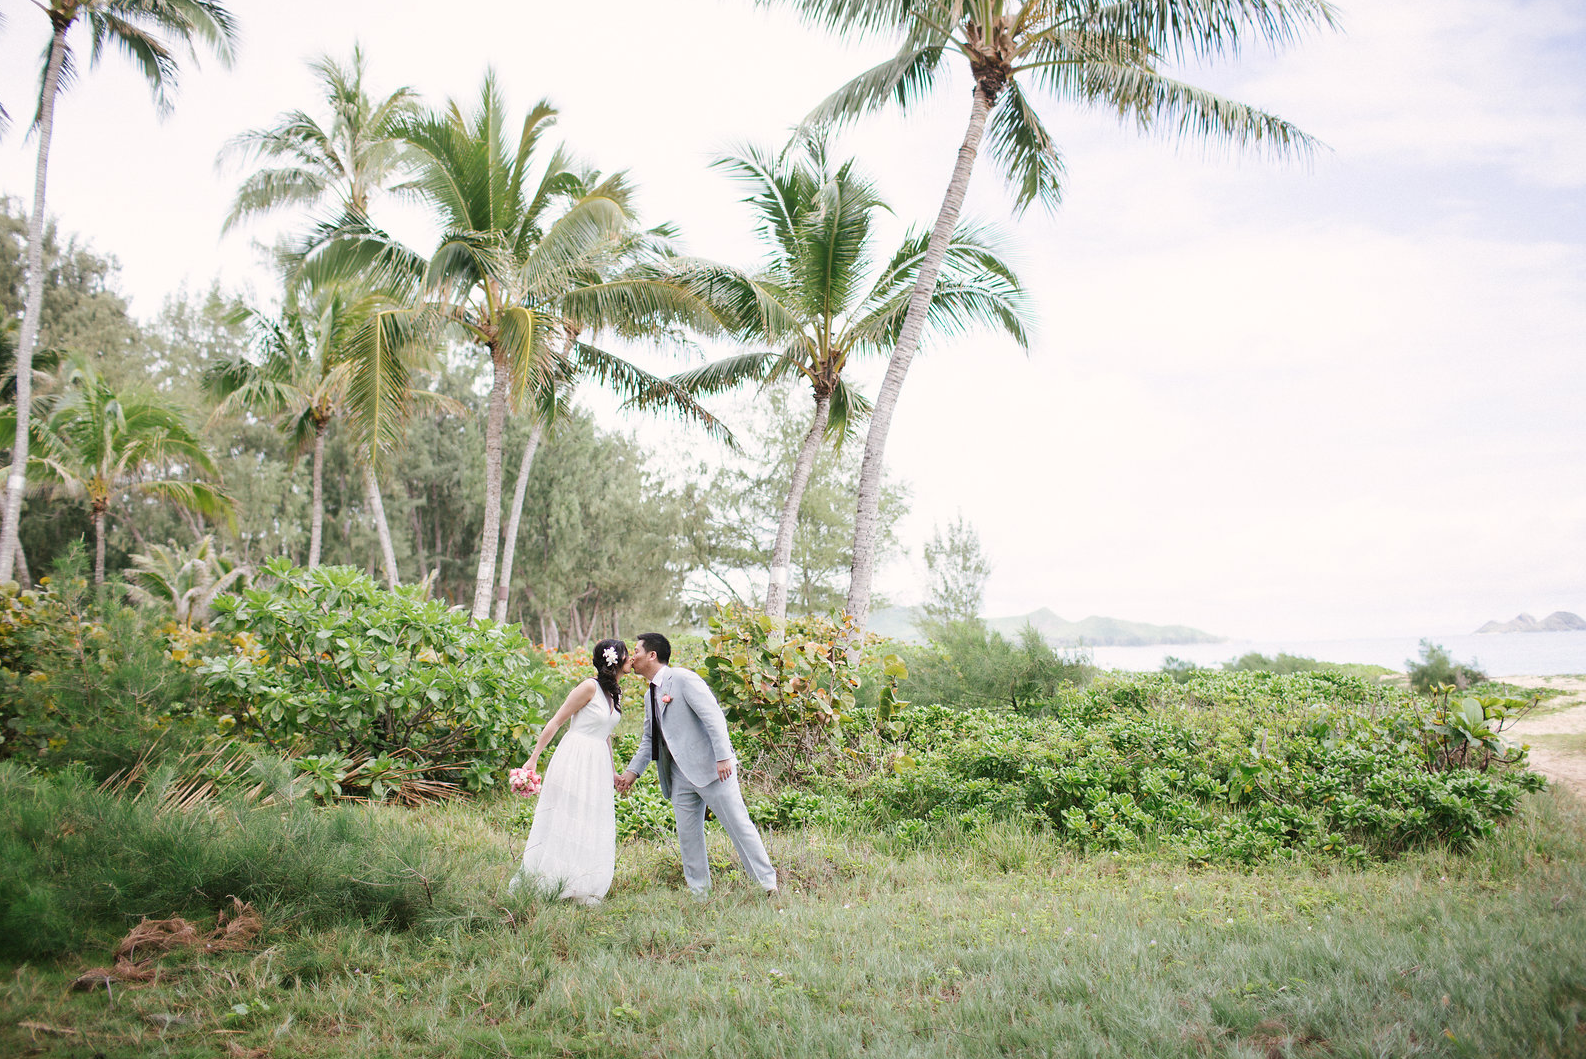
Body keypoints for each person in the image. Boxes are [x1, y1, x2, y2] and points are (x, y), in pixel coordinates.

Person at [616, 632, 777, 898]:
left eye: (636, 651)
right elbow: (649, 740)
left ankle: (767, 884)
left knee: (738, 824)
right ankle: (699, 893)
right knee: (688, 837)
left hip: (712, 769)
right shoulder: (649, 696)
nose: (632, 657)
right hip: (678, 776)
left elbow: (712, 716)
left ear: (652, 655)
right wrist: (631, 773)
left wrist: (723, 757)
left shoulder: (682, 678)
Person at [509, 637, 628, 905]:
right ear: (615, 659)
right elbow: (557, 721)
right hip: (575, 755)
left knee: (590, 817)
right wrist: (533, 757)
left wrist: (612, 771)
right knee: (567, 815)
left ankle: (580, 883)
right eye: (627, 656)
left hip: (596, 761)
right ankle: (550, 880)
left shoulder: (615, 692)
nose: (631, 660)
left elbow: (606, 733)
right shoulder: (589, 687)